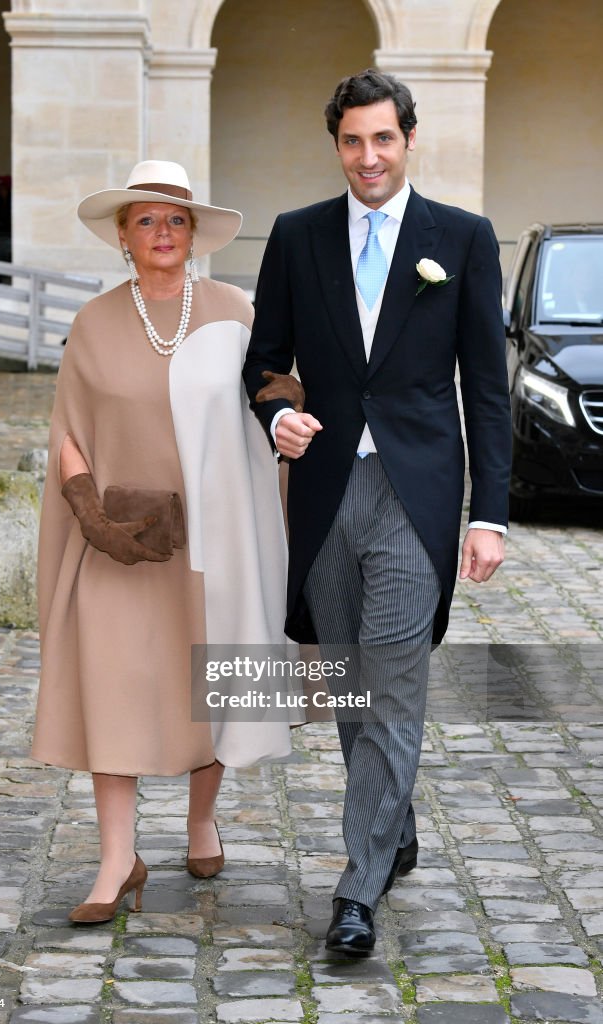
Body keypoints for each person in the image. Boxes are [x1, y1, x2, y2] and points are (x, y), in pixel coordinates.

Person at [243, 69, 512, 956]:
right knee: (353, 687)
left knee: (393, 685)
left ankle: (356, 890)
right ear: (336, 145)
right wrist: (278, 414)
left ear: (407, 139)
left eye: (382, 139)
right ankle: (391, 828)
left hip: (416, 495)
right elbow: (264, 361)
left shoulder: (462, 240)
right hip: (323, 492)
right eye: (352, 141)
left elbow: (486, 388)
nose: (368, 156)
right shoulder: (296, 236)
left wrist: (489, 514)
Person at [32, 160, 299, 924]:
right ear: (123, 234)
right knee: (113, 686)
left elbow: (274, 389)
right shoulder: (92, 323)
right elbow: (68, 433)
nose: (162, 232)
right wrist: (91, 513)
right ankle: (118, 860)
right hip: (118, 543)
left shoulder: (234, 311)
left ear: (194, 233)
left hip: (214, 537)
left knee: (206, 688)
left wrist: (292, 410)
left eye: (175, 219)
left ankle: (200, 820)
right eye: (145, 219)